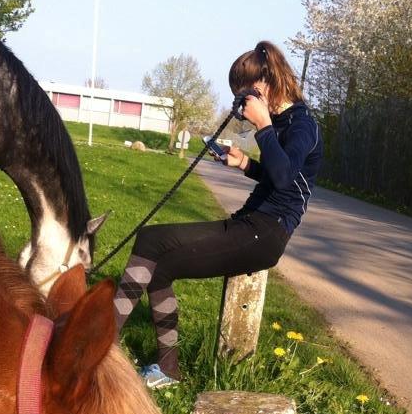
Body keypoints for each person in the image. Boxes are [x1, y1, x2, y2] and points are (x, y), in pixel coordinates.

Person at [113, 40, 323, 388]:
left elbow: (285, 178)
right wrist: (243, 163)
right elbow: (278, 174)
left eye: (245, 98)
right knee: (159, 269)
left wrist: (263, 126)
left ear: (265, 85)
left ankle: (95, 349)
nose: (241, 108)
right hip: (251, 223)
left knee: (151, 239)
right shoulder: (284, 121)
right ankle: (168, 370)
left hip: (266, 233)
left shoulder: (302, 124)